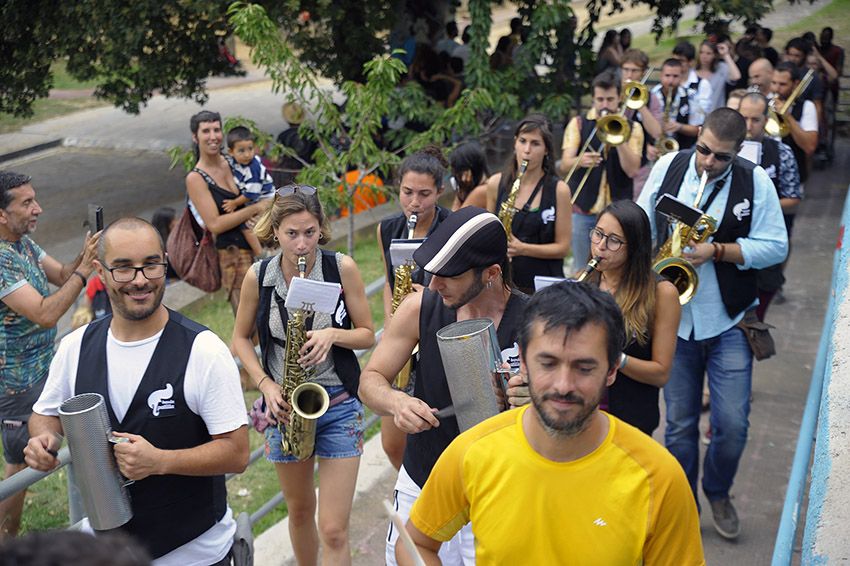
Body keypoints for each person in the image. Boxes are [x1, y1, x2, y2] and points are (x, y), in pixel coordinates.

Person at [396, 282, 704, 566]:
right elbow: (415, 543)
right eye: (548, 363)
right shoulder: (471, 452)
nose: (563, 384)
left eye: (584, 367)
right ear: (523, 360)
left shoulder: (659, 478)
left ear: (611, 371)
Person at [24, 217, 249, 564]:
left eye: (150, 265)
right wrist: (44, 440)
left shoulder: (203, 350)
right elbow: (46, 414)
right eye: (124, 268)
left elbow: (236, 453)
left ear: (165, 262)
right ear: (100, 270)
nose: (140, 279)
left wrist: (161, 461)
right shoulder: (76, 347)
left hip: (195, 555)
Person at [637, 108, 788, 540]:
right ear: (697, 137)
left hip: (728, 321)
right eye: (702, 150)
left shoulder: (754, 180)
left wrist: (719, 251)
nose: (707, 162)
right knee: (680, 425)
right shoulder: (669, 166)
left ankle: (718, 491)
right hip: (674, 322)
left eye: (720, 157)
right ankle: (685, 503)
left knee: (733, 424)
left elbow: (776, 245)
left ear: (738, 153)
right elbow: (643, 223)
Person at [359, 207, 530, 566]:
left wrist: (534, 397)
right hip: (423, 481)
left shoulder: (537, 321)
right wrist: (396, 403)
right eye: (432, 273)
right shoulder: (419, 307)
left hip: (498, 494)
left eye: (448, 276)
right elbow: (370, 380)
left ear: (492, 273)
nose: (434, 285)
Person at [231, 187, 374, 566]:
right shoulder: (258, 276)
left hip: (339, 404)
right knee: (298, 511)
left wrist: (332, 334)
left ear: (321, 229)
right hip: (284, 408)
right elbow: (240, 339)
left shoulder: (341, 268)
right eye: (292, 234)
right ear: (274, 231)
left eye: (310, 233)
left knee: (333, 528)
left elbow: (367, 333)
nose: (301, 244)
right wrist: (265, 383)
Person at [0, 171, 99, 539]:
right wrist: (84, 272)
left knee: (62, 449)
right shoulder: (1, 259)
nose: (37, 208)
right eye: (26, 203)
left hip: (44, 372)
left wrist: (87, 254)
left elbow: (63, 275)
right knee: (19, 472)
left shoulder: (24, 245)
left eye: (35, 199)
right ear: (1, 214)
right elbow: (44, 313)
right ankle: (6, 543)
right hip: (17, 385)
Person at [377, 148, 452, 470]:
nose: (414, 203)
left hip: (438, 337)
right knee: (392, 443)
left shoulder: (451, 227)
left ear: (439, 192)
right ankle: (412, 489)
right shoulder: (388, 228)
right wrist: (391, 321)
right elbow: (387, 281)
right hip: (402, 342)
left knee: (437, 433)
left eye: (424, 194)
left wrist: (429, 295)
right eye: (407, 193)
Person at [582, 200, 680, 435]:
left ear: (635, 246)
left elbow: (661, 373)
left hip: (630, 418)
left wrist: (617, 358)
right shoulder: (584, 279)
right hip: (585, 413)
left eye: (614, 240)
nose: (601, 246)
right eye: (598, 234)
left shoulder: (662, 293)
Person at [185, 111, 269, 313]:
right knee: (250, 325)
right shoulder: (196, 178)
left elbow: (259, 187)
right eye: (206, 131)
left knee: (275, 315)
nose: (213, 136)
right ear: (195, 137)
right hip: (233, 255)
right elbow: (215, 224)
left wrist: (262, 207)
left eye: (216, 129)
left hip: (262, 241)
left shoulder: (233, 159)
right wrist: (255, 209)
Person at [560, 75, 641, 271]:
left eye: (610, 100)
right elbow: (564, 165)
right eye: (600, 100)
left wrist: (618, 137)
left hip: (618, 212)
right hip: (583, 210)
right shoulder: (578, 123)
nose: (605, 105)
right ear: (594, 99)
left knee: (616, 270)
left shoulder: (633, 127)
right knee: (582, 268)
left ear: (619, 99)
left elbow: (632, 170)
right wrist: (580, 161)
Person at [487, 114, 572, 293]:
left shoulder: (559, 190)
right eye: (523, 141)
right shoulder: (496, 183)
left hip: (543, 287)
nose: (527, 150)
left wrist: (523, 249)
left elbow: (563, 248)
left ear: (546, 150)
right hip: (504, 284)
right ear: (515, 143)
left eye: (535, 143)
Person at [738, 92, 802, 320]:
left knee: (755, 319)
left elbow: (794, 198)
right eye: (743, 118)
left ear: (767, 120)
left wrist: (759, 207)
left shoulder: (781, 152)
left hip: (765, 248)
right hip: (731, 248)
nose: (748, 126)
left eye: (755, 120)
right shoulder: (725, 150)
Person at [222, 126, 275, 258]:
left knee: (247, 226)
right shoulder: (233, 161)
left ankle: (260, 253)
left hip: (265, 199)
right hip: (256, 200)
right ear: (231, 152)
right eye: (241, 151)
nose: (247, 154)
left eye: (250, 149)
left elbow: (251, 194)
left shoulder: (253, 168)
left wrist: (235, 203)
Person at [619, 49, 662, 197]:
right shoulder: (612, 93)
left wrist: (640, 104)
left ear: (643, 73)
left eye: (634, 71)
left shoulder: (651, 98)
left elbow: (657, 132)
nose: (629, 75)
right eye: (626, 70)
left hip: (640, 166)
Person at [771, 62, 819, 184]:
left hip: (792, 175)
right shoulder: (765, 103)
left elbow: (809, 147)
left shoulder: (807, 107)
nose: (776, 89)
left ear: (795, 84)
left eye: (782, 84)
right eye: (774, 83)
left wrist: (788, 117)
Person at [651, 58, 704, 150]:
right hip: (655, 148)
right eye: (667, 75)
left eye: (675, 76)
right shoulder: (651, 95)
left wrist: (680, 127)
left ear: (682, 76)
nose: (671, 81)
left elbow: (698, 129)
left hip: (683, 150)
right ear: (661, 76)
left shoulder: (690, 96)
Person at [695, 40, 742, 114]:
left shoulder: (721, 68)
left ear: (715, 55)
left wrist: (725, 55)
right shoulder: (693, 72)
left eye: (708, 53)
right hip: (695, 117)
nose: (704, 56)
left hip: (716, 114)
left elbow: (736, 76)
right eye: (701, 52)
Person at [673, 41, 714, 115]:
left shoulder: (703, 84)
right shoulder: (669, 82)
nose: (676, 64)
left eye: (681, 61)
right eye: (674, 60)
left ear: (691, 62)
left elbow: (703, 112)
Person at [449, 142, 489, 211]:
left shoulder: (481, 191)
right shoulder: (488, 184)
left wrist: (461, 191)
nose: (462, 179)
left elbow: (455, 218)